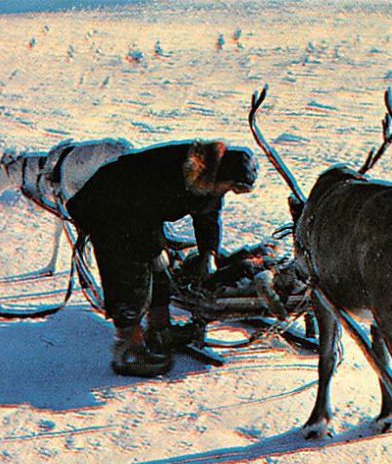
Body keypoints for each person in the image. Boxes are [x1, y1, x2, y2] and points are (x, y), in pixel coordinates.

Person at [66, 141, 259, 377]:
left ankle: (160, 330)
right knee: (130, 275)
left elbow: (208, 216)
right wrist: (155, 249)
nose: (226, 191)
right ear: (221, 174)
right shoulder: (175, 172)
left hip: (140, 214)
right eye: (229, 186)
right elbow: (141, 213)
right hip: (105, 206)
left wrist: (209, 254)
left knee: (160, 272)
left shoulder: (210, 179)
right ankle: (128, 348)